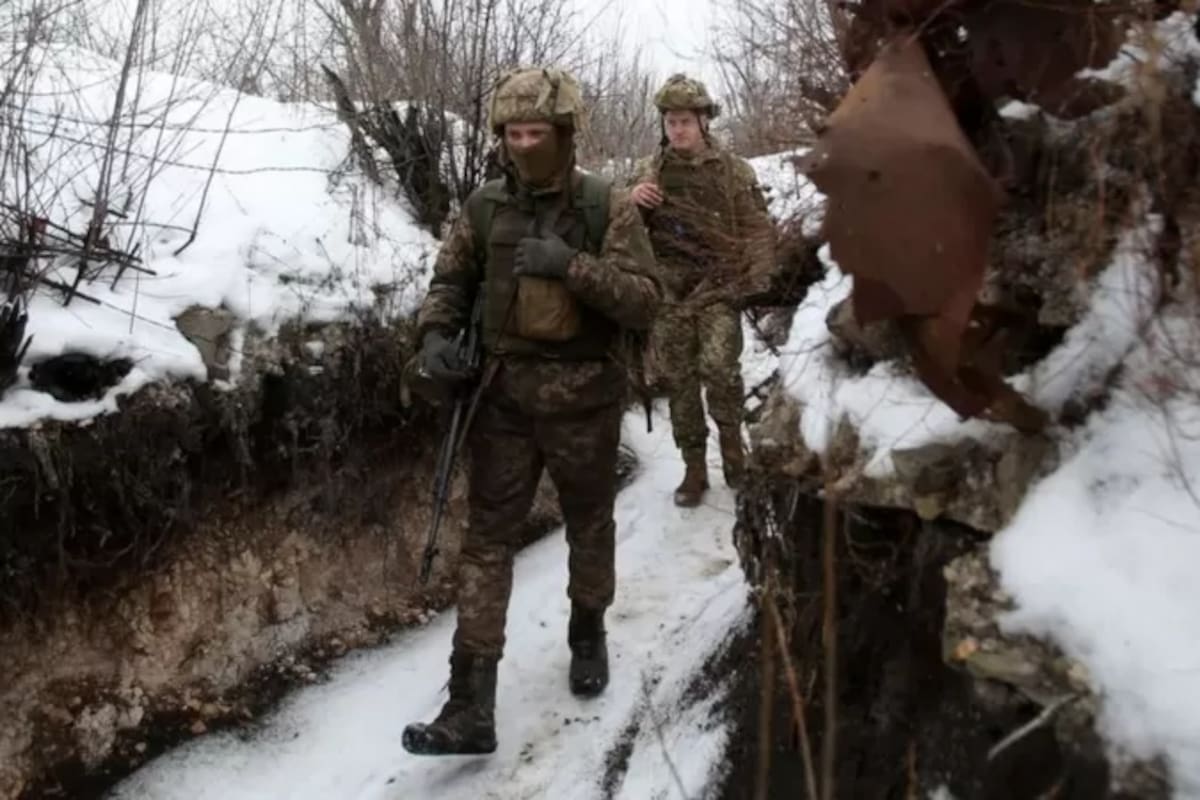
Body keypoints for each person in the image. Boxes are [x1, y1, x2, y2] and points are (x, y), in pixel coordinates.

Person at [401, 66, 662, 756]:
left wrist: (571, 266)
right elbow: (449, 283)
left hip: (586, 401)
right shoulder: (484, 208)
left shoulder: (609, 206)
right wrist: (433, 338)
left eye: (536, 132)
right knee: (487, 540)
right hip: (502, 402)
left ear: (565, 134)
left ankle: (587, 634)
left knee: (589, 525)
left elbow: (644, 300)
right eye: (513, 133)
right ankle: (469, 705)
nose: (523, 145)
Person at [629, 73, 776, 508]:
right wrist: (631, 201)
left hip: (718, 289)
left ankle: (734, 453)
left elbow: (756, 230)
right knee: (680, 382)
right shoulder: (648, 172)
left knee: (720, 370)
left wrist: (754, 283)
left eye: (685, 122)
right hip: (670, 296)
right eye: (671, 122)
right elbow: (620, 230)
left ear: (703, 123)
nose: (677, 130)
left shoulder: (733, 170)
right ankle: (693, 468)